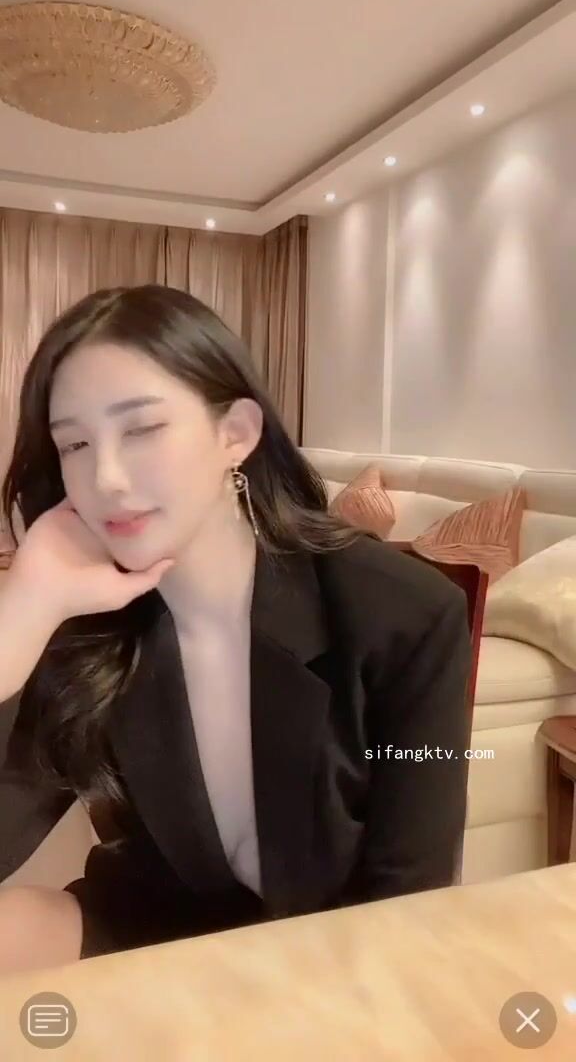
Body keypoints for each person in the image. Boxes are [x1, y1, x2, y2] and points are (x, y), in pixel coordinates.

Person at [0, 284, 472, 975]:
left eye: (141, 429)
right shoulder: (86, 614)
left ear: (236, 434)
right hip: (158, 925)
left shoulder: (402, 613)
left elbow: (411, 894)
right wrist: (22, 614)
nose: (105, 477)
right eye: (74, 442)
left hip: (335, 949)